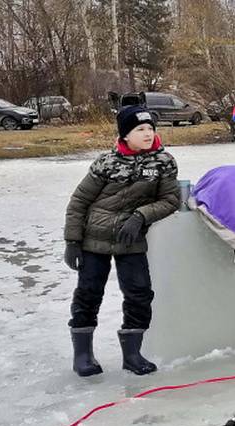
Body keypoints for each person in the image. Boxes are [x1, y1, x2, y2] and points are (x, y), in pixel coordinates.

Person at [63, 105, 180, 376]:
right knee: (89, 293)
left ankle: (132, 354)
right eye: (140, 129)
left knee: (139, 293)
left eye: (150, 128)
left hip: (131, 239)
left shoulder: (163, 162)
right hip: (95, 238)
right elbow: (80, 201)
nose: (148, 134)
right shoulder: (107, 162)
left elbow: (171, 199)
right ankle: (83, 355)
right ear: (126, 135)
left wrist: (141, 215)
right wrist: (72, 241)